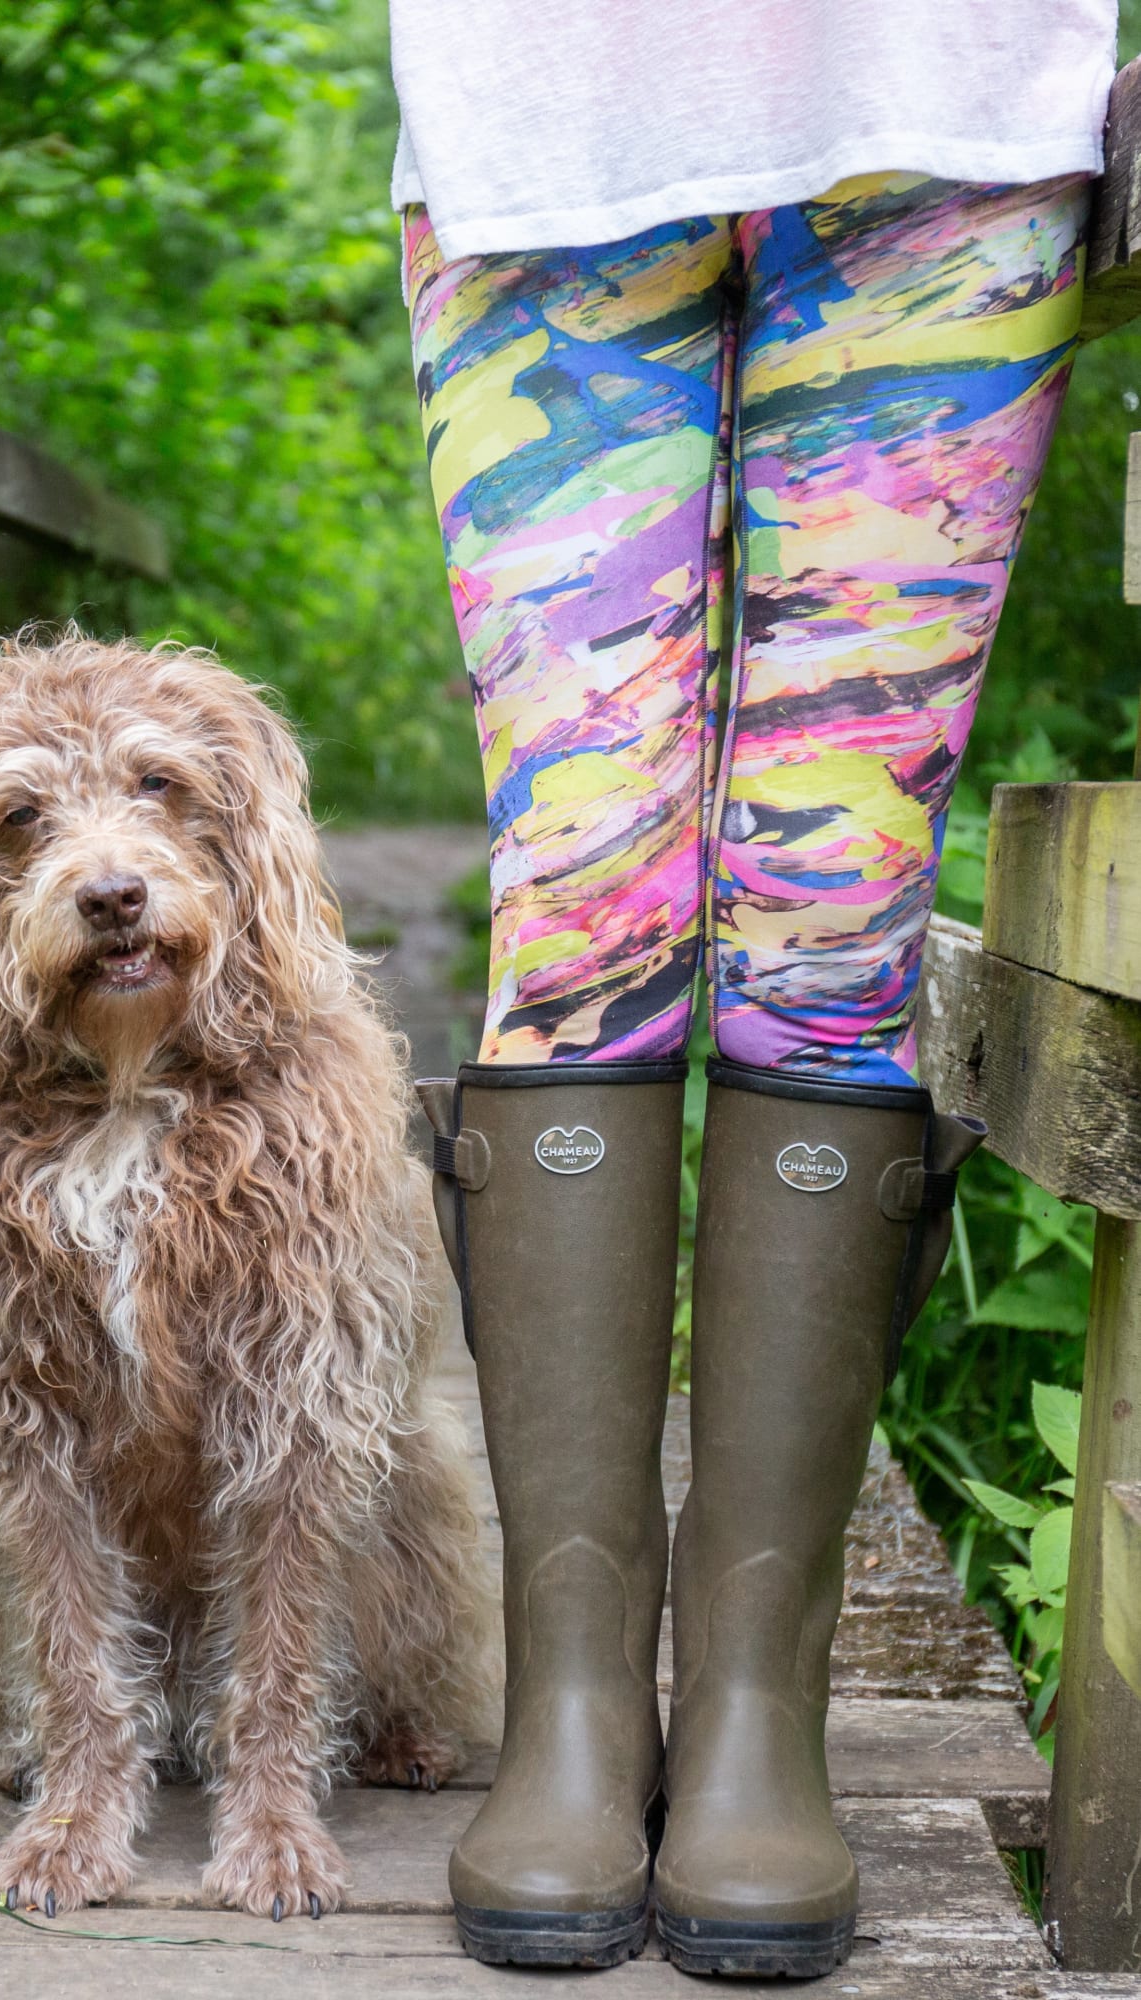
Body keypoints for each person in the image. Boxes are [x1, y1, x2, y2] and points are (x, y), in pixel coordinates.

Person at [393, 2, 1117, 1977]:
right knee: (582, 912)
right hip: (543, 116)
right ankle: (571, 1700)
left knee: (831, 929)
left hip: (947, 111)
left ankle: (752, 1712)